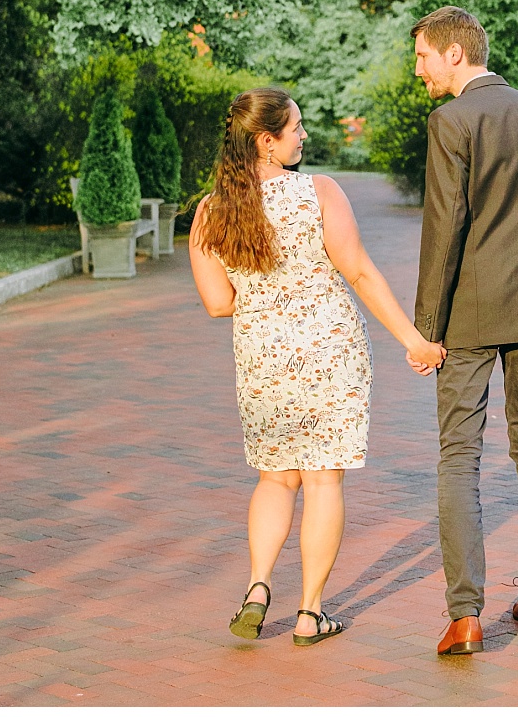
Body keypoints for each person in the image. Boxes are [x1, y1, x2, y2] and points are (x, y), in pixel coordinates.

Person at [189, 87, 446, 646]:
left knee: (275, 479)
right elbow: (360, 273)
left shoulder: (211, 212)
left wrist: (261, 293)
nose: (304, 135)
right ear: (266, 141)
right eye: (296, 128)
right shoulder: (319, 192)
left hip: (261, 359)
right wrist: (415, 342)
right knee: (322, 480)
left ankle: (258, 586)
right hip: (330, 353)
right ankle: (309, 612)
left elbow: (217, 302)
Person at [411, 6, 518, 656]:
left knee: (459, 454)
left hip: (470, 313)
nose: (417, 67)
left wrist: (427, 327)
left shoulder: (451, 120)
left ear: (455, 53)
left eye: (422, 54)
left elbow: (444, 230)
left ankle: (466, 614)